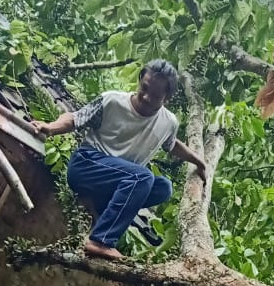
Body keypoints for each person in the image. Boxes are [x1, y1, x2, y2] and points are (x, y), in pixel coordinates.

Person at [35, 60, 207, 261]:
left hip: (118, 180)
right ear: (140, 80)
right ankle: (100, 241)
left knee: (163, 188)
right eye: (144, 88)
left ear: (167, 98)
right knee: (142, 177)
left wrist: (198, 161)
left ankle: (99, 205)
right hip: (86, 165)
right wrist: (50, 127)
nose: (146, 97)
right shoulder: (112, 101)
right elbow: (75, 118)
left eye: (155, 95)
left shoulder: (168, 123)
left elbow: (171, 144)